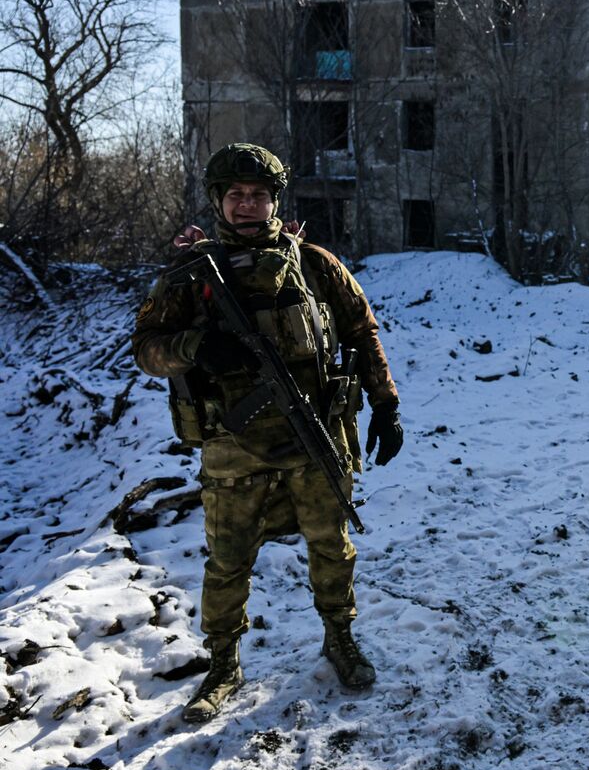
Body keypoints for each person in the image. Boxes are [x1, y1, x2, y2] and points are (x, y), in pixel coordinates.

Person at [132, 143, 405, 724]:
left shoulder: (314, 263)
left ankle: (340, 639)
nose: (248, 205)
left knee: (332, 547)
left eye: (258, 195)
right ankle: (223, 664)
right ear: (218, 201)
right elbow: (147, 350)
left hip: (315, 438)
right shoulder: (190, 276)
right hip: (234, 448)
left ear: (274, 200)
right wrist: (195, 345)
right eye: (236, 195)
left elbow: (363, 331)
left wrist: (386, 406)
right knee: (227, 560)